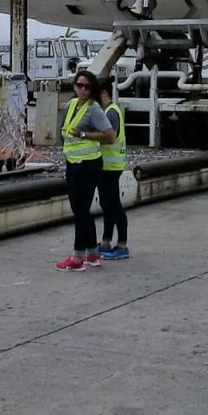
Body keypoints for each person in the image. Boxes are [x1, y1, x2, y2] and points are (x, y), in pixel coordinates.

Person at [56, 70, 116, 272]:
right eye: (79, 85)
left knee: (80, 210)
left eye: (87, 86)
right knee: (81, 209)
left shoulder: (94, 109)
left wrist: (83, 134)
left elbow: (110, 136)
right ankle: (92, 253)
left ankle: (77, 255)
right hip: (74, 162)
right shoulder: (73, 104)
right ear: (74, 86)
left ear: (92, 89)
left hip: (88, 164)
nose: (82, 89)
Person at [96, 80, 129, 260]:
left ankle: (122, 243)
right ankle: (106, 240)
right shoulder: (108, 111)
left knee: (113, 204)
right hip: (106, 166)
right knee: (106, 203)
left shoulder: (111, 113)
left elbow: (110, 137)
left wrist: (86, 136)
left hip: (111, 166)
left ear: (103, 93)